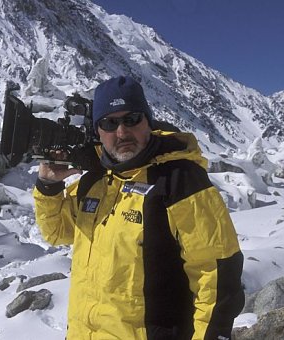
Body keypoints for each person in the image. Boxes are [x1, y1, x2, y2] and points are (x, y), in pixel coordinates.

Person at [33, 76, 244, 340]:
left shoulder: (179, 180)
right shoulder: (95, 182)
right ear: (98, 131)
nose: (122, 133)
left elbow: (217, 275)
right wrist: (48, 187)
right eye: (109, 123)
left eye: (131, 119)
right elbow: (57, 233)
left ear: (148, 122)